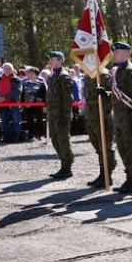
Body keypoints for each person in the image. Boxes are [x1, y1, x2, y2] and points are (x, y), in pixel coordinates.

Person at [110, 41, 132, 194]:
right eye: (114, 52)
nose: (114, 54)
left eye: (117, 52)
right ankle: (129, 177)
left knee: (131, 148)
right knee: (122, 148)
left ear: (127, 54)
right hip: (119, 117)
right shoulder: (116, 71)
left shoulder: (131, 71)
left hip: (130, 118)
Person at [82, 63, 116, 187]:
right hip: (91, 116)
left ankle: (107, 175)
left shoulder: (103, 75)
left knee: (105, 147)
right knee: (98, 147)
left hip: (103, 116)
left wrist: (105, 94)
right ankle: (102, 174)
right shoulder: (87, 76)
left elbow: (112, 94)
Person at [45, 51, 75, 179]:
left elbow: (68, 100)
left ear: (60, 61)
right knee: (56, 140)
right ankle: (63, 165)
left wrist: (65, 116)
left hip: (62, 115)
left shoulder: (63, 77)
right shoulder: (53, 77)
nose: (50, 62)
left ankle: (66, 167)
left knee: (63, 141)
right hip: (53, 115)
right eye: (50, 60)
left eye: (53, 60)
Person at [0, 62, 21, 142]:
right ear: (3, 69)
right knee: (4, 122)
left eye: (9, 68)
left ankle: (15, 138)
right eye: (5, 68)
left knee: (16, 122)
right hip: (1, 104)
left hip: (14, 103)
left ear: (12, 69)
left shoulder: (16, 79)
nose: (7, 70)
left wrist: (4, 98)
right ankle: (7, 138)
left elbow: (17, 92)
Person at [20, 67, 47, 140]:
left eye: (32, 73)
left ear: (36, 75)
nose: (30, 75)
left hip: (39, 105)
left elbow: (45, 95)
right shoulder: (25, 83)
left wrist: (45, 106)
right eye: (29, 73)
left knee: (39, 120)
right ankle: (31, 135)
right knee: (29, 120)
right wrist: (22, 104)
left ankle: (41, 135)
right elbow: (23, 94)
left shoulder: (41, 84)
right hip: (28, 105)